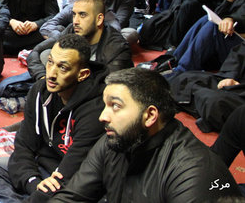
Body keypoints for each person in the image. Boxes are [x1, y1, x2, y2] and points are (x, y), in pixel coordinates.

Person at [48, 68, 240, 203]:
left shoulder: (193, 173)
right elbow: (73, 196)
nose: (102, 116)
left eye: (115, 106)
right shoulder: (116, 141)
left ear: (149, 116)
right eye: (105, 105)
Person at [0, 34, 107, 203]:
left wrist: (41, 191)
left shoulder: (95, 110)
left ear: (82, 74)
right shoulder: (40, 90)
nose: (51, 74)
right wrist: (32, 182)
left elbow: (72, 173)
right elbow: (24, 145)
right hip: (40, 169)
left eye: (63, 68)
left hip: (70, 179)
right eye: (50, 62)